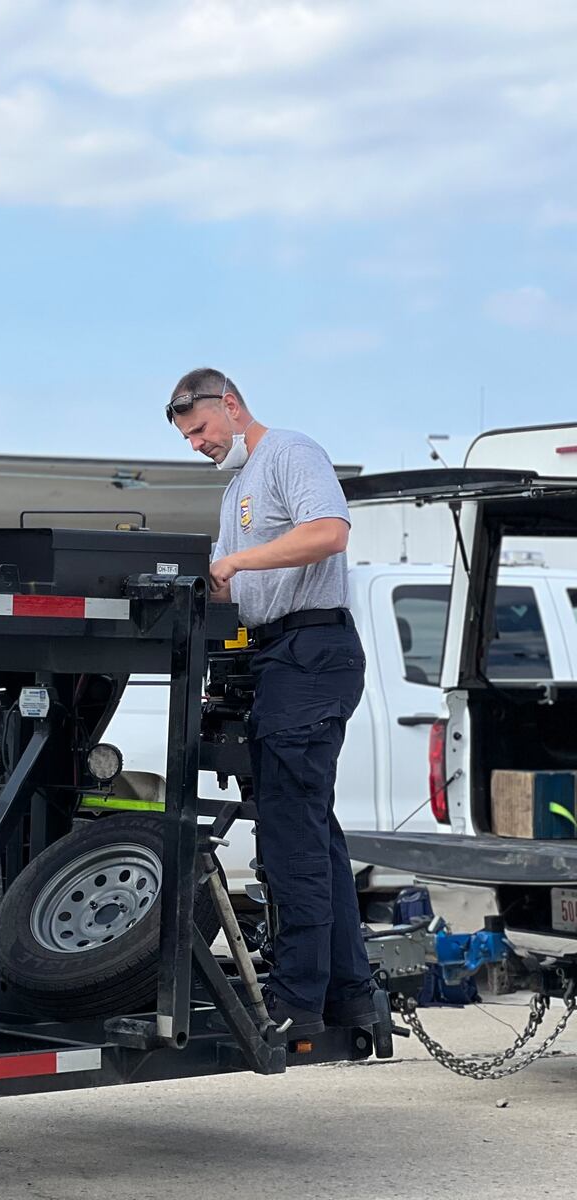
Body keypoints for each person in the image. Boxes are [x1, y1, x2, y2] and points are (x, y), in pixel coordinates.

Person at [167, 368, 375, 1035]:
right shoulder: (236, 492)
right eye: (188, 437)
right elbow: (231, 583)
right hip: (278, 658)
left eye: (201, 428)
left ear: (229, 404)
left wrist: (239, 564)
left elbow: (329, 532)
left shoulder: (289, 452)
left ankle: (295, 1006)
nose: (198, 443)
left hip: (313, 653)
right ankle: (348, 995)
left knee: (289, 839)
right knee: (312, 831)